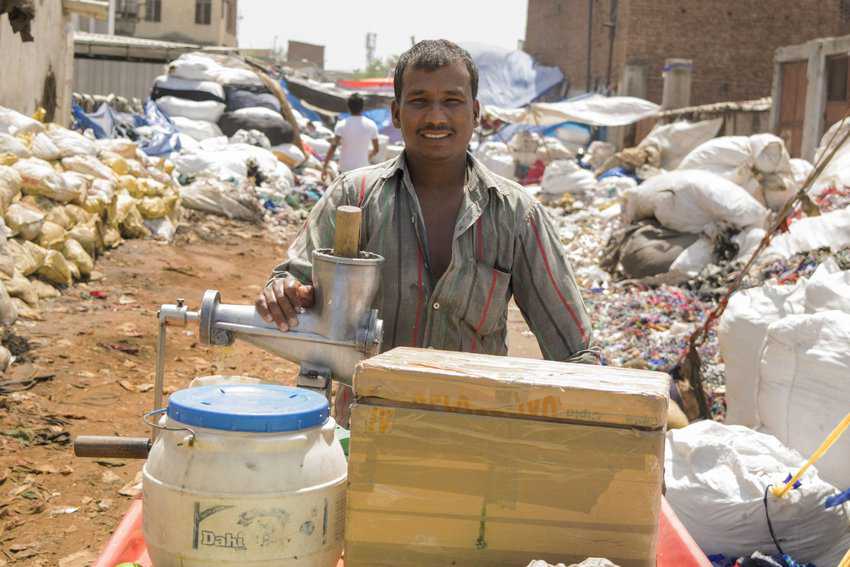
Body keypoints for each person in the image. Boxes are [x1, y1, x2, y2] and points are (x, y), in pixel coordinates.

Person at [258, 40, 595, 422]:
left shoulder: (516, 214)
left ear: (476, 112)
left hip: (474, 435)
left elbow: (575, 350)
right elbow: (290, 282)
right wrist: (282, 293)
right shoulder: (354, 196)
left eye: (452, 100)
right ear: (397, 113)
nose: (436, 116)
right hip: (369, 430)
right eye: (419, 101)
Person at [321, 93, 379, 180]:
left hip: (344, 170)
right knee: (360, 193)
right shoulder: (371, 125)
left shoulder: (341, 125)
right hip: (362, 170)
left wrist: (324, 167)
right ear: (362, 107)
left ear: (348, 107)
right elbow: (376, 149)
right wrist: (365, 158)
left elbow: (332, 148)